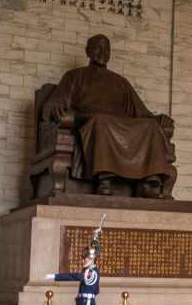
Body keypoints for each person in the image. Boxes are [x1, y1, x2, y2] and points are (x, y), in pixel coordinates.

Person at [42, 34, 176, 198]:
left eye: (107, 49)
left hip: (120, 125)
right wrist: (56, 109)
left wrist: (159, 118)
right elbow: (51, 105)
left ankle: (149, 182)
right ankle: (104, 179)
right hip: (89, 121)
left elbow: (142, 112)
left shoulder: (120, 82)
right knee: (101, 120)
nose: (103, 52)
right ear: (88, 51)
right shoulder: (74, 76)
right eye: (98, 48)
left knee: (151, 126)